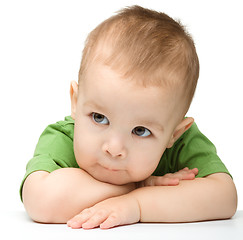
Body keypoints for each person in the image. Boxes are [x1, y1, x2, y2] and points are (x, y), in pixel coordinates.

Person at [20, 5, 237, 229]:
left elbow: (225, 198)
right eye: (99, 118)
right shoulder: (63, 137)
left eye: (140, 131)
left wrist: (136, 205)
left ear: (175, 132)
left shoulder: (182, 143)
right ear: (76, 101)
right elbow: (42, 201)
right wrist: (139, 185)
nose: (114, 149)